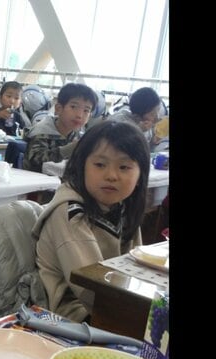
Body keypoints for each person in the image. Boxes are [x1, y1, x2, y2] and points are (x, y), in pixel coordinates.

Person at [31, 121, 150, 322]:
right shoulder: (70, 212)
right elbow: (90, 290)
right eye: (100, 165)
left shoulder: (122, 208)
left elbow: (138, 269)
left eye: (124, 167)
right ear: (82, 165)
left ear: (140, 176)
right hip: (68, 315)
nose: (112, 175)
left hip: (112, 304)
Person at [23, 83, 99, 173]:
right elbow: (37, 162)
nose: (80, 115)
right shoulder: (41, 132)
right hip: (38, 183)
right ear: (58, 108)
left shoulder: (76, 135)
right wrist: (70, 149)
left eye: (86, 110)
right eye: (73, 107)